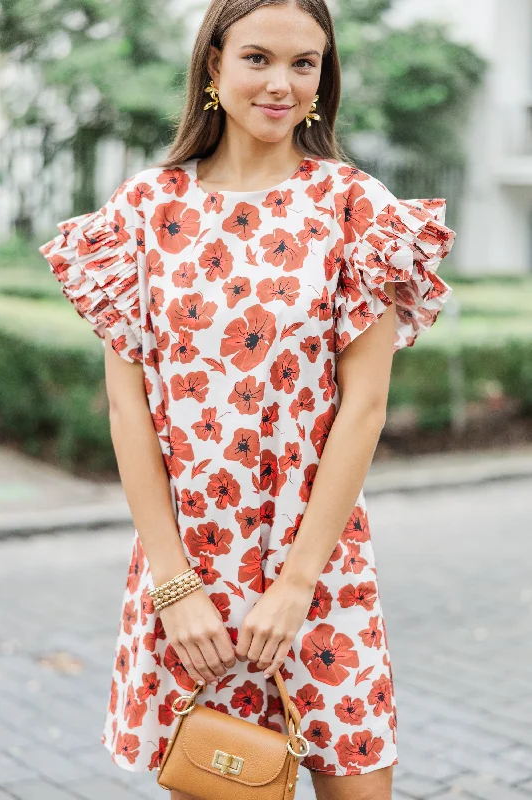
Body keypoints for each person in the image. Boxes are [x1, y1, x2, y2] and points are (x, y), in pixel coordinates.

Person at [38, 1, 456, 798]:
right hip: (189, 575)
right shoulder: (142, 213)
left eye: (305, 64)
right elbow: (130, 412)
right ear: (212, 68)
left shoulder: (356, 210)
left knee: (359, 783)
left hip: (319, 570)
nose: (282, 84)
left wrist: (297, 583)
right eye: (257, 58)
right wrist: (173, 587)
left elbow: (361, 409)